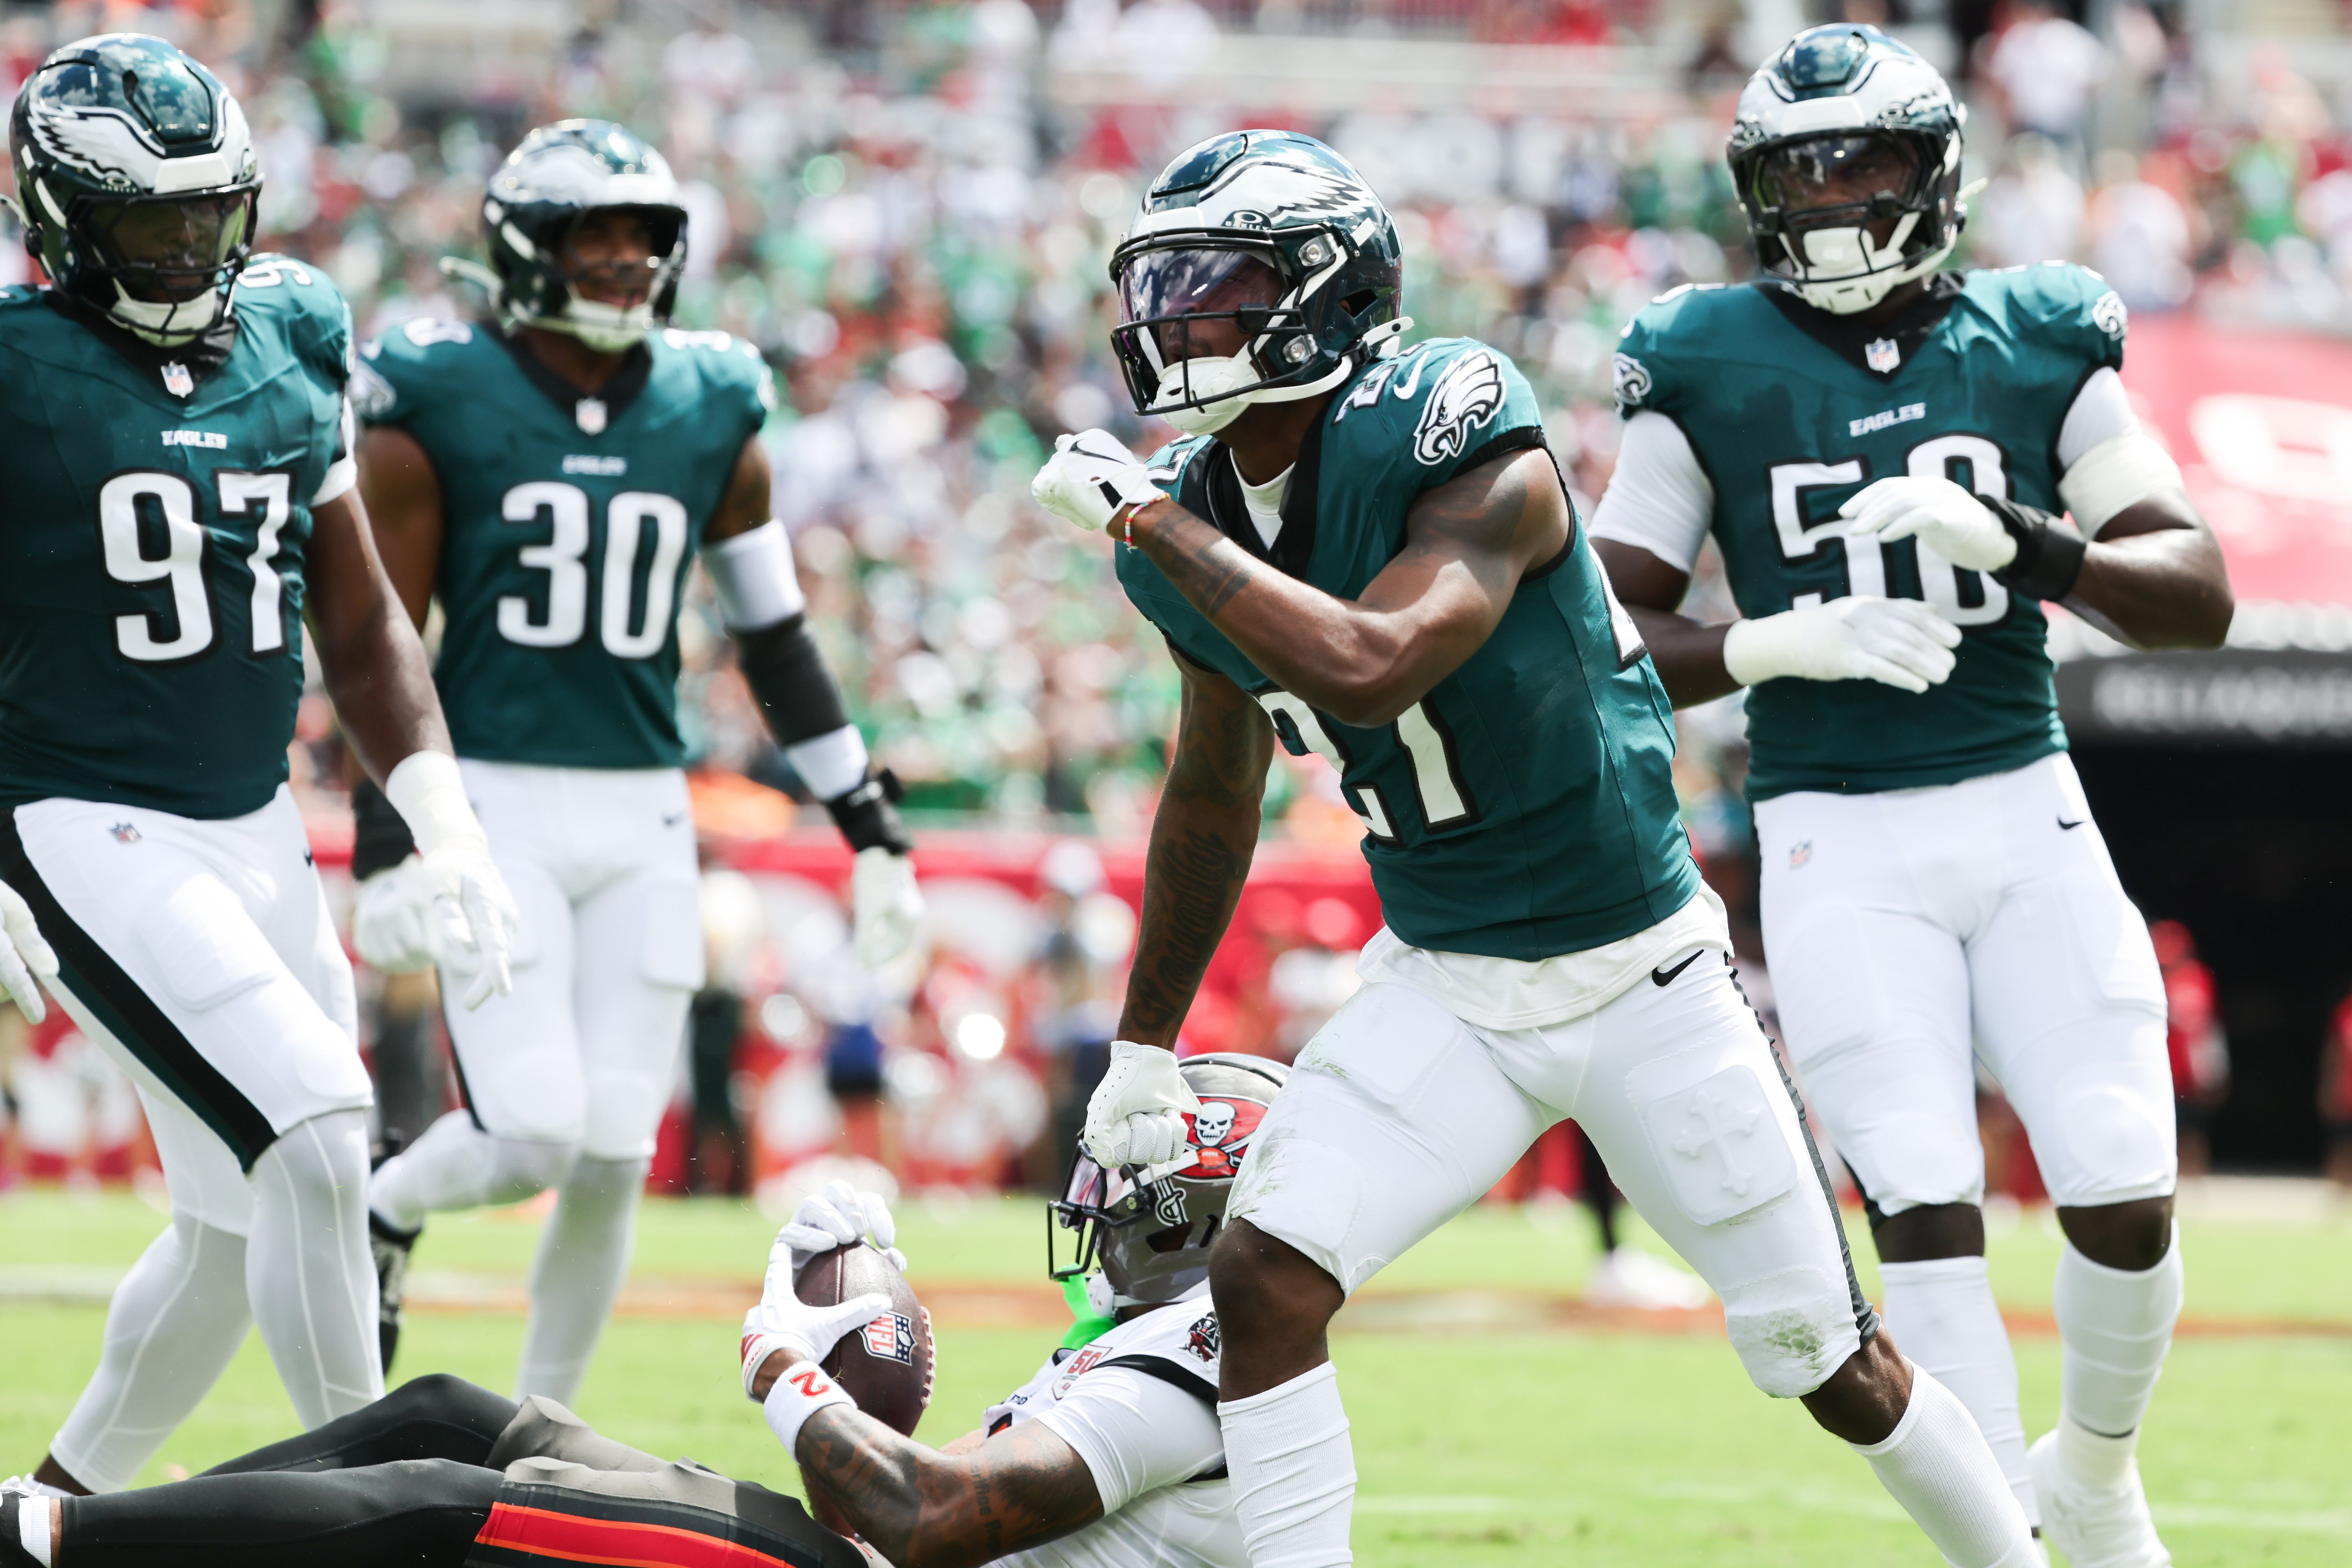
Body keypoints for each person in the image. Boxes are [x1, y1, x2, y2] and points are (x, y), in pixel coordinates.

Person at [1036, 127, 2042, 1568]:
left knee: (1835, 1360)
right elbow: (1211, 790)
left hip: (1642, 975)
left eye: (1223, 280)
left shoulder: (1454, 411)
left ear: (1325, 288)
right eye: (1168, 283)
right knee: (1262, 1279)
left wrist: (1144, 520)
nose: (1180, 315)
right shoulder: (1194, 511)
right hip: (1448, 978)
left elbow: (1374, 660)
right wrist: (1143, 1040)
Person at [1589, 25, 2233, 1568]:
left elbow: (2190, 593)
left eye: (1852, 163)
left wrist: (2023, 542)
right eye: (1788, 172)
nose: (1818, 201)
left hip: (2020, 798)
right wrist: (1762, 638)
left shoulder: (2031, 332)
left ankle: (2088, 1469)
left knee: (2121, 1188)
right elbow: (1600, 632)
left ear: (1930, 173)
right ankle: (2004, 1531)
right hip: (1832, 829)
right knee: (1922, 1200)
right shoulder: (1700, 354)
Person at [0, 35, 518, 1499]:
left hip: (252, 822)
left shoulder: (293, 326)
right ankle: (378, 1510)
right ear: (58, 215)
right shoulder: (13, 366)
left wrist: (442, 816)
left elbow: (355, 612)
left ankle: (45, 1510)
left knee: (236, 1233)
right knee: (316, 1132)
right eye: (145, 219)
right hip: (81, 819)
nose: (183, 247)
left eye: (206, 213)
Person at [351, 118, 926, 1401]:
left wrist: (871, 827)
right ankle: (382, 1204)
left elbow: (777, 641)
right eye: (592, 235)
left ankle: (544, 1422)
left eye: (644, 237)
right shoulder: (438, 388)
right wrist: (390, 844)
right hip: (490, 794)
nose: (623, 260)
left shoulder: (710, 397)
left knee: (616, 1145)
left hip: (644, 804)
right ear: (523, 249)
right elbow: (377, 638)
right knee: (538, 1124)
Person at [0, 1055, 1287, 1568]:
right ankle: (120, 1534)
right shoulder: (1155, 1345)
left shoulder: (1208, 1352)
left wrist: (789, 1361)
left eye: (1131, 1191)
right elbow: (907, 1506)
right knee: (462, 1412)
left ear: (1200, 1214)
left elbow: (935, 1518)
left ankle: (46, 1536)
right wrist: (835, 1351)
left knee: (456, 1503)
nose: (1095, 1205)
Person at [2150, 920, 2227, 1177]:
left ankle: (2194, 1187)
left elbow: (2207, 1030)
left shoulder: (2200, 979)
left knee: (2193, 1130)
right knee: (2161, 1128)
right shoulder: (2149, 980)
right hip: (2162, 1068)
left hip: (2190, 1074)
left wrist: (2215, 1071)